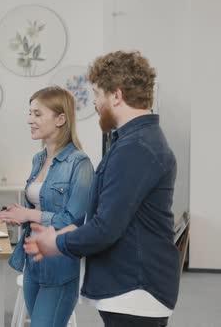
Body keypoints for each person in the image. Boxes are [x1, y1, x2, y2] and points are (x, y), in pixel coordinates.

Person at [25, 51, 180, 327]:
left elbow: (107, 228)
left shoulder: (136, 148)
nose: (95, 103)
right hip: (131, 288)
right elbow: (116, 213)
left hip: (136, 289)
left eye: (97, 94)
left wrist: (57, 242)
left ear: (116, 96)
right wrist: (75, 230)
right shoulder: (134, 141)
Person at [0, 86, 94, 327]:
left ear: (60, 119)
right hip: (33, 263)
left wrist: (29, 213)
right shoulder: (38, 159)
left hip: (59, 266)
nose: (30, 120)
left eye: (38, 114)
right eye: (30, 113)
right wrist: (20, 215)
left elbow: (74, 220)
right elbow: (41, 205)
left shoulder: (79, 163)